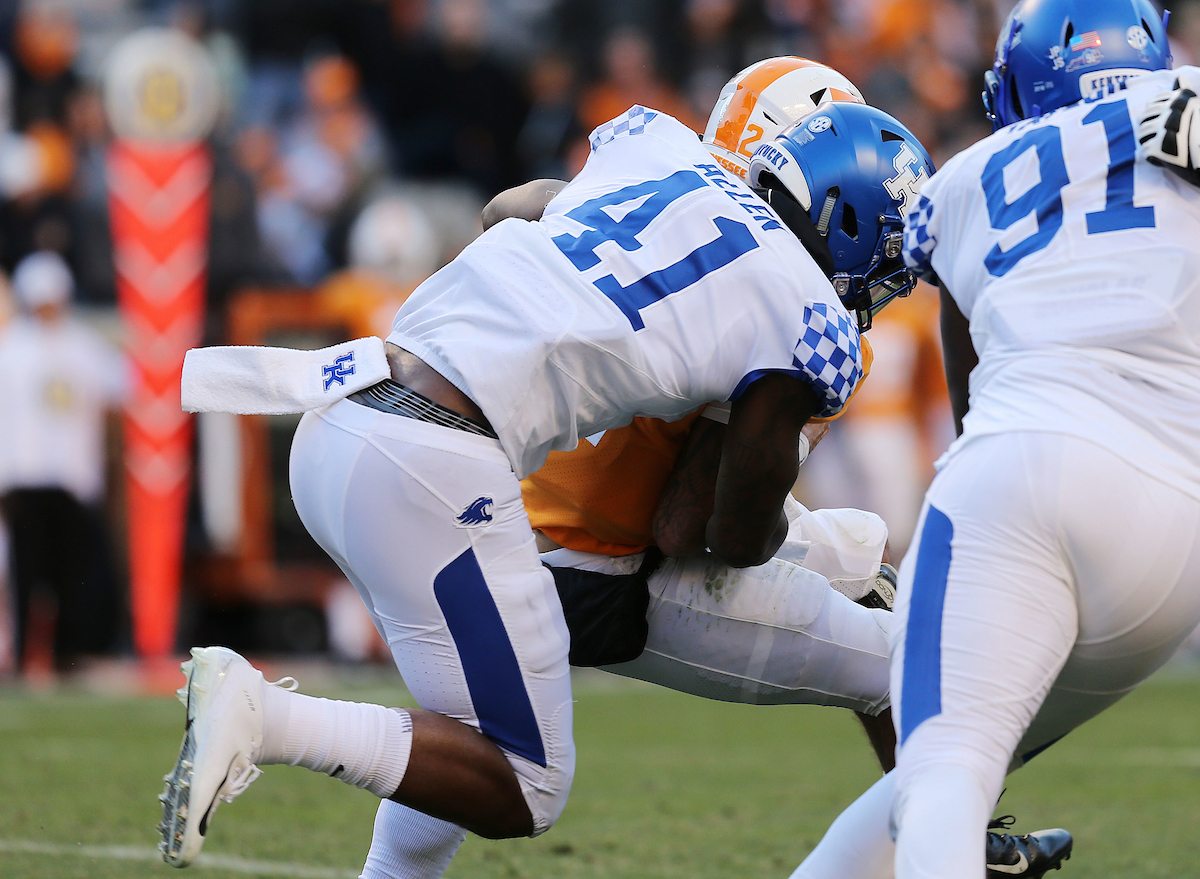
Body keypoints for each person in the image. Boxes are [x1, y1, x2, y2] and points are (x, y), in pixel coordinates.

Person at [159, 98, 927, 875]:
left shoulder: (663, 151)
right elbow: (731, 536)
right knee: (527, 779)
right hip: (434, 459)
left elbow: (508, 207)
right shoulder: (812, 320)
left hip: (345, 405)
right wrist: (804, 529)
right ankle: (268, 716)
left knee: (463, 730)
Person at [791, 2, 1196, 878]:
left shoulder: (966, 178)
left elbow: (969, 384)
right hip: (1177, 535)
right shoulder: (1184, 105)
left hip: (1019, 467)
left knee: (946, 766)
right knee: (945, 771)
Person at [0, 251, 127, 671]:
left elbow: (124, 389)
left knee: (71, 573)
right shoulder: (12, 348)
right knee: (25, 573)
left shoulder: (81, 345)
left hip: (72, 478)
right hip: (24, 477)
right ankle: (23, 655)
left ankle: (67, 654)